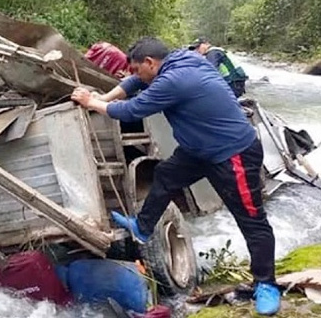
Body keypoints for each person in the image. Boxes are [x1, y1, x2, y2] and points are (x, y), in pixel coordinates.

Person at [71, 37, 280, 316]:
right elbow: (135, 83)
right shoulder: (180, 58)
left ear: (149, 63)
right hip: (198, 150)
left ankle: (266, 284)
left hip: (233, 154)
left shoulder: (174, 81)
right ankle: (143, 227)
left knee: (251, 220)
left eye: (135, 69)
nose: (132, 76)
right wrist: (103, 98)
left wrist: (91, 102)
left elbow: (132, 109)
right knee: (166, 175)